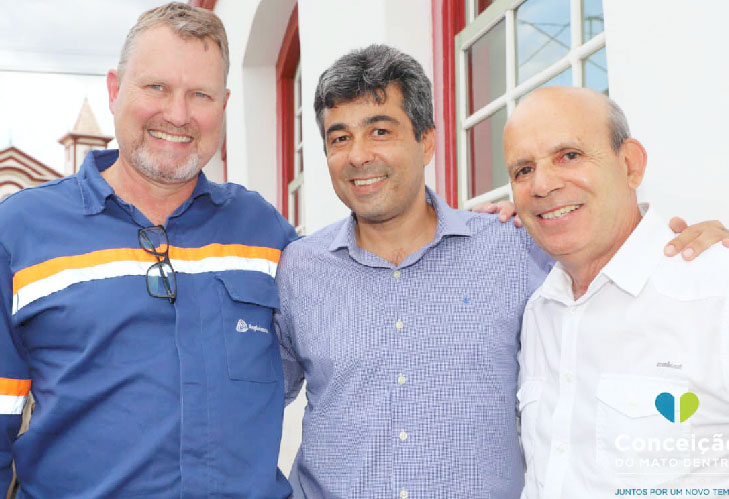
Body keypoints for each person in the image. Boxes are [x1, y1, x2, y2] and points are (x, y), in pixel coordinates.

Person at [274, 45, 729, 499]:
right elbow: (251, 399)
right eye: (339, 138)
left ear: (427, 142)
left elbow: (604, 237)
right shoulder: (297, 270)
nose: (358, 155)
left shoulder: (517, 247)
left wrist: (707, 243)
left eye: (380, 131)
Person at [0, 3, 295, 497]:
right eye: (156, 87)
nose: (177, 115)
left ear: (223, 105)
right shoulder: (19, 232)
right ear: (115, 90)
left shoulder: (264, 232)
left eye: (200, 94)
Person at [505, 86, 729, 497]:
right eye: (523, 170)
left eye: (569, 155)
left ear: (630, 165)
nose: (542, 184)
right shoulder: (539, 311)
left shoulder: (715, 292)